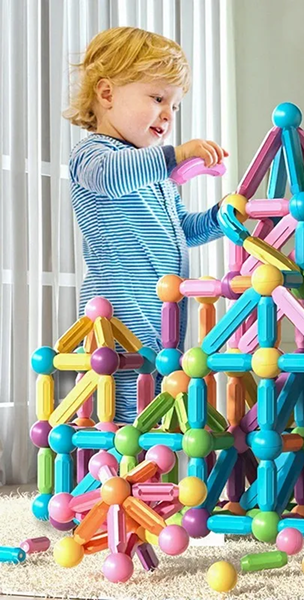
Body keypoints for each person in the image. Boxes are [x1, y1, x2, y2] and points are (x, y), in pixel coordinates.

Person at [64, 26, 227, 424]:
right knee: (120, 406)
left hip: (162, 312)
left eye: (174, 106)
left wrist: (220, 218)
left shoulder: (156, 175)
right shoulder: (92, 155)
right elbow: (111, 177)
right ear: (107, 94)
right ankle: (116, 459)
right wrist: (174, 156)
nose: (168, 114)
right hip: (117, 312)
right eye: (157, 98)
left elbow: (181, 230)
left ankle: (147, 458)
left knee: (154, 401)